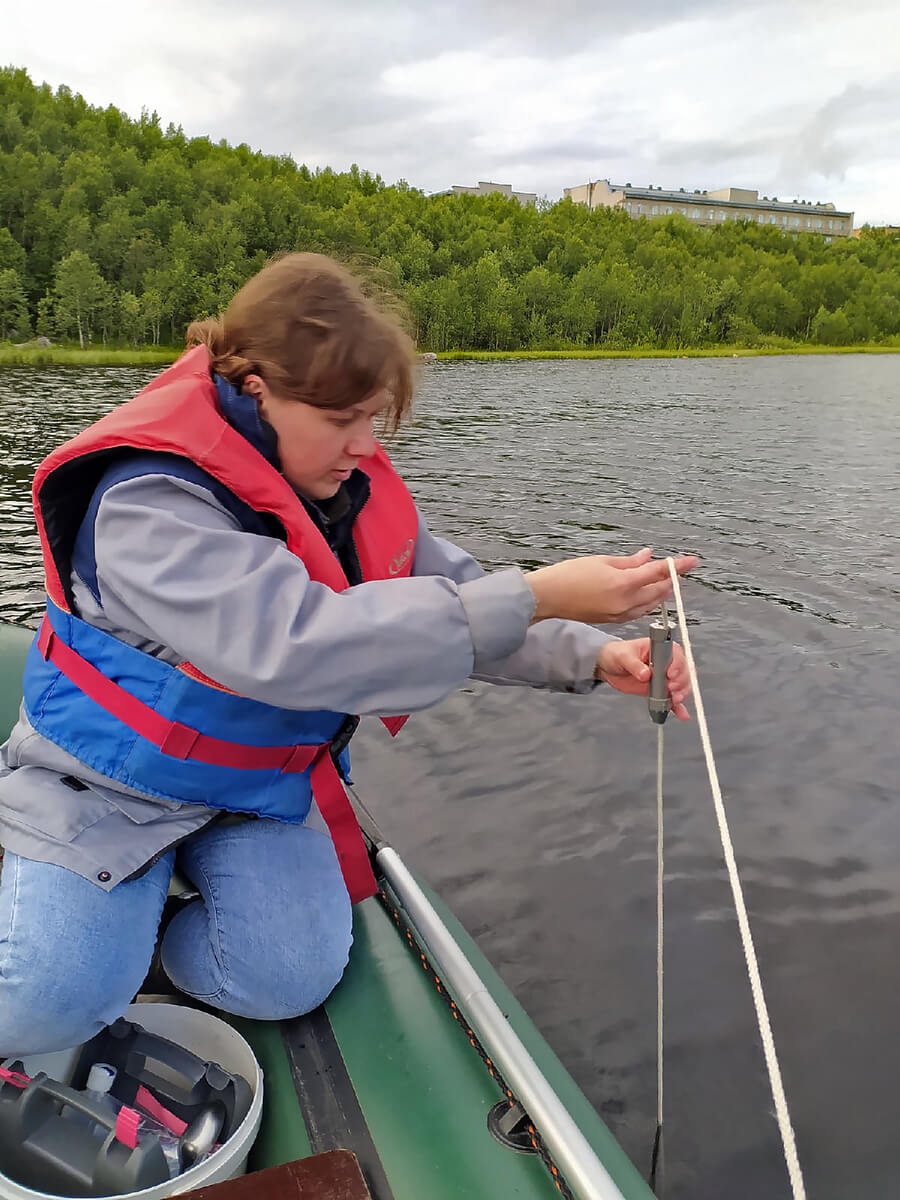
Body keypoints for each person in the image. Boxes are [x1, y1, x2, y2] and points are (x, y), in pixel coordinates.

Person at [0, 253, 696, 1056]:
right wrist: (540, 591)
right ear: (256, 385)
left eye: (372, 419)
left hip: (251, 788)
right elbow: (299, 647)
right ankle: (83, 932)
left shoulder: (335, 485)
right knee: (45, 1006)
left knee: (285, 978)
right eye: (342, 420)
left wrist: (592, 655)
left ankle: (134, 931)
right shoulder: (149, 502)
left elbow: (443, 592)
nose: (365, 445)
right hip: (108, 789)